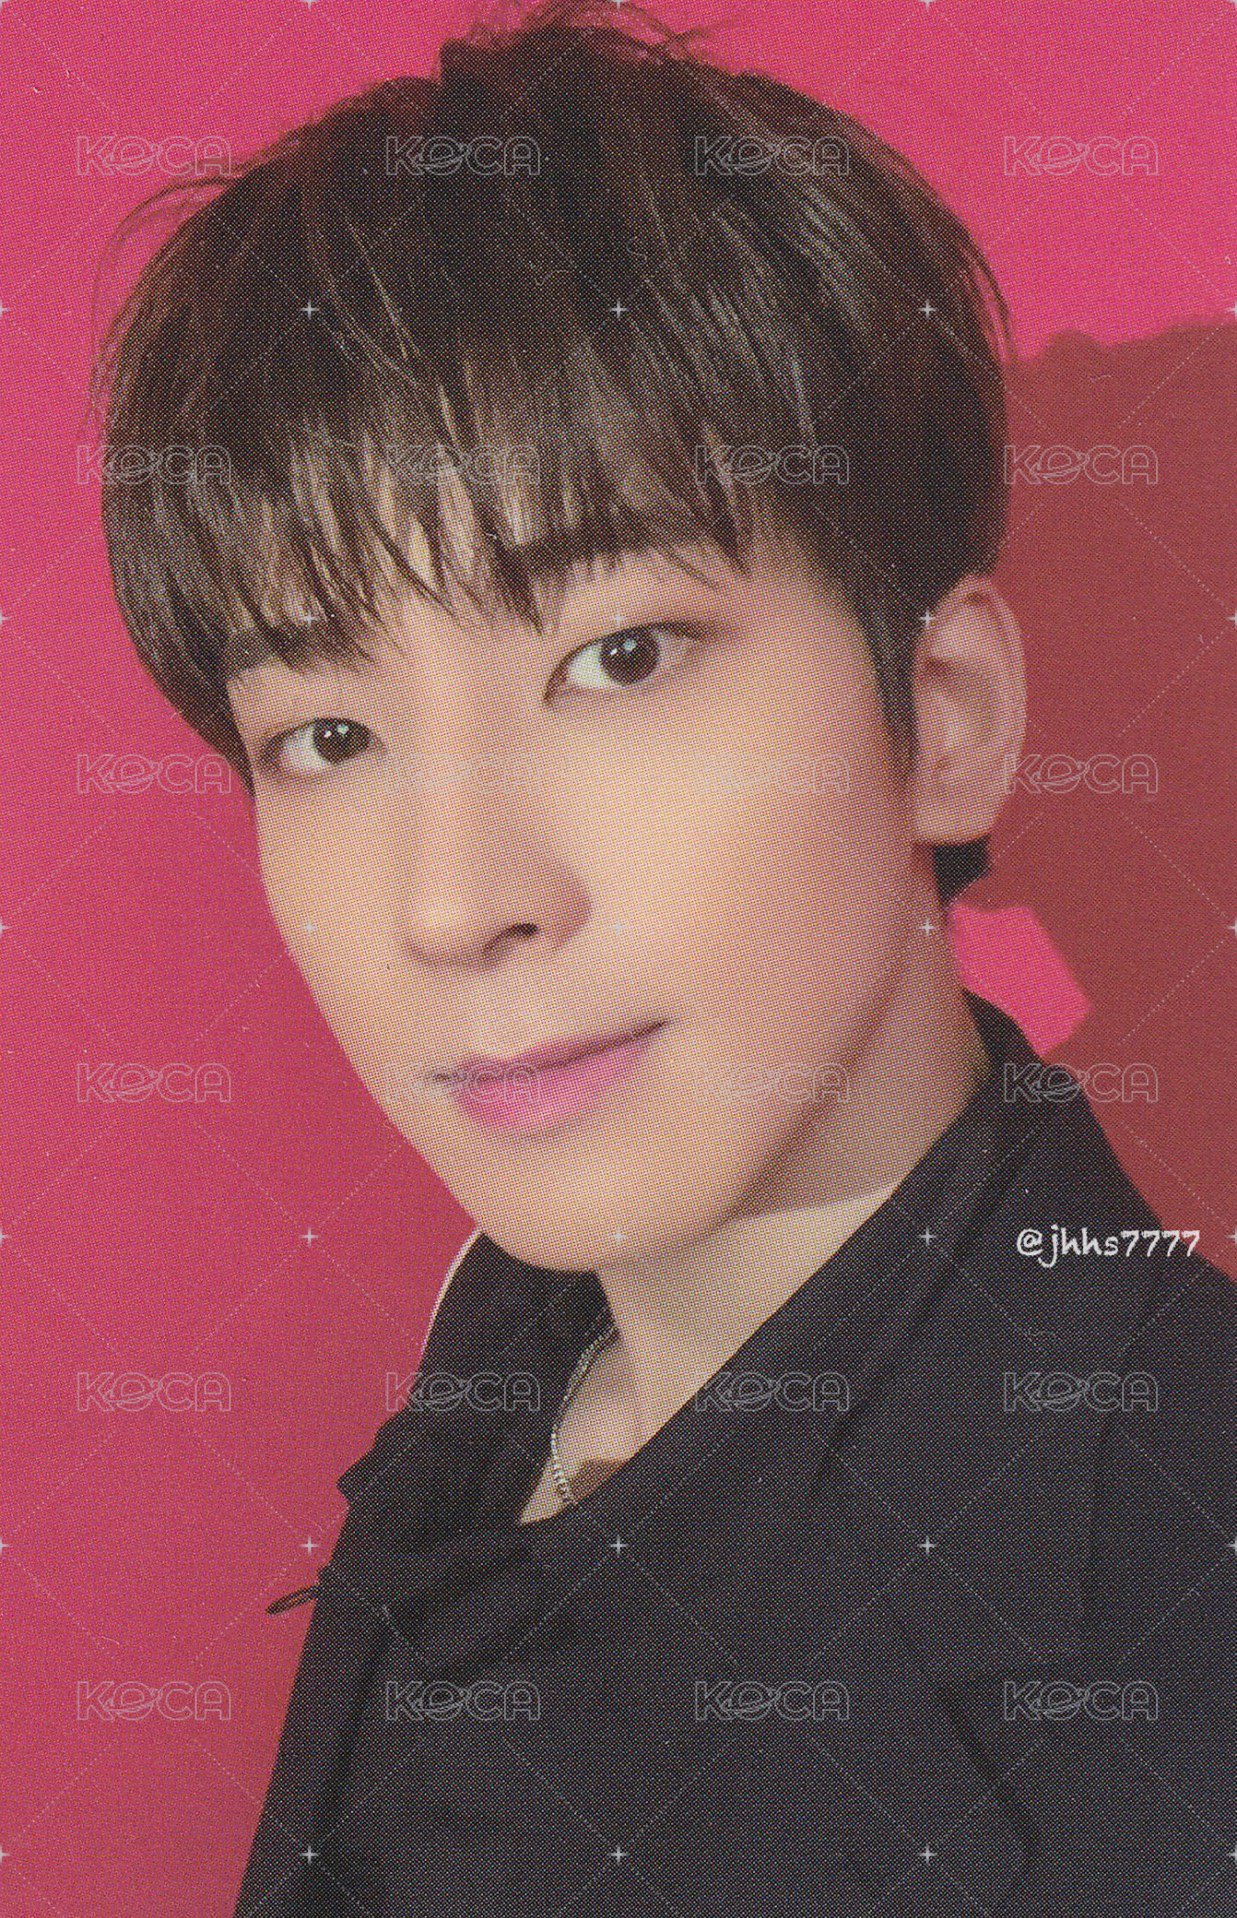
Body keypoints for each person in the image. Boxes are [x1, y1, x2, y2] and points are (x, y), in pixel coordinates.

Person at [91, 2, 1235, 1912]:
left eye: (616, 656)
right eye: (330, 733)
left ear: (942, 714)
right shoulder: (513, 1348)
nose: (453, 901)